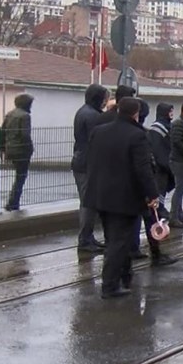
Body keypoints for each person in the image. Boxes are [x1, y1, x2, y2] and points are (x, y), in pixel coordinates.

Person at [82, 98, 160, 299]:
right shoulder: (138, 135)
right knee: (119, 242)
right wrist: (152, 194)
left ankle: (124, 276)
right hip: (123, 197)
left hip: (98, 194)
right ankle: (110, 285)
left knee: (112, 238)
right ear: (136, 113)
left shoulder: (99, 131)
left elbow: (90, 160)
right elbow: (143, 169)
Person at [133, 99, 177, 267]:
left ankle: (130, 251)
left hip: (120, 186)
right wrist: (152, 193)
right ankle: (155, 254)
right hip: (142, 184)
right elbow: (146, 164)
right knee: (151, 217)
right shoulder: (142, 134)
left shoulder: (105, 130)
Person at [71, 84, 111, 252]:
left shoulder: (83, 111)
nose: (105, 102)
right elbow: (97, 141)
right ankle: (85, 239)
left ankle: (88, 237)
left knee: (88, 202)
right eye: (104, 99)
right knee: (88, 203)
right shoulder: (93, 116)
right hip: (88, 164)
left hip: (81, 161)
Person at [2, 93, 34, 212]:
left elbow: (2, 131)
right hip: (21, 150)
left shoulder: (9, 114)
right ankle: (13, 202)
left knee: (18, 176)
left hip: (10, 148)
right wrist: (30, 148)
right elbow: (25, 135)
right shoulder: (25, 116)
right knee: (21, 177)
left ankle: (12, 202)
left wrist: (2, 148)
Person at [146, 102, 175, 225]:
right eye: (170, 111)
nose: (172, 114)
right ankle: (159, 208)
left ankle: (161, 207)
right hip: (159, 163)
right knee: (160, 187)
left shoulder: (168, 125)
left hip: (166, 161)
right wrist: (164, 162)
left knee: (164, 186)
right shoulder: (157, 128)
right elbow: (157, 147)